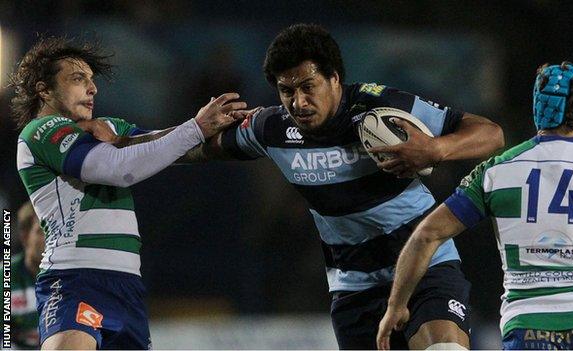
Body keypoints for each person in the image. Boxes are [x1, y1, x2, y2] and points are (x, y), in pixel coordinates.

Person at [189, 23, 504, 349]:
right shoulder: (270, 129)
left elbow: (491, 133)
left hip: (425, 268)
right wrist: (153, 142)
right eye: (287, 91)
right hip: (355, 287)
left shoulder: (382, 106)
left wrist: (437, 149)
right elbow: (197, 149)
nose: (299, 102)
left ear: (334, 78)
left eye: (308, 87)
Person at [11, 36, 246, 349]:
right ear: (44, 90)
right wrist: (196, 128)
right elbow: (117, 168)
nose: (92, 88)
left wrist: (243, 134)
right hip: (76, 277)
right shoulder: (40, 132)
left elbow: (165, 145)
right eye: (78, 79)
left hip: (127, 284)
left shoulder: (108, 126)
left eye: (92, 81)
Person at [377, 62, 573, 350]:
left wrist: (397, 305)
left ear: (538, 108)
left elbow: (426, 235)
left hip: (526, 329)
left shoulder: (496, 171)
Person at [11, 202, 45, 349]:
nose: (50, 240)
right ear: (25, 237)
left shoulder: (73, 277)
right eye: (41, 231)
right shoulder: (4, 278)